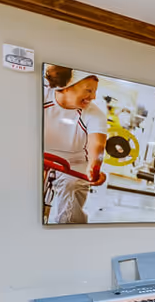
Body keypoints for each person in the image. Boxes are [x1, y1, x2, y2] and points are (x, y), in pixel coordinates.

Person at [43, 65, 107, 224]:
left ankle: (70, 232)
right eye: (88, 90)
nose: (93, 97)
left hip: (74, 164)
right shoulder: (42, 96)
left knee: (72, 187)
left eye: (94, 91)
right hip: (40, 156)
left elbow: (97, 144)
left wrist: (94, 166)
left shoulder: (95, 114)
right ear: (66, 87)